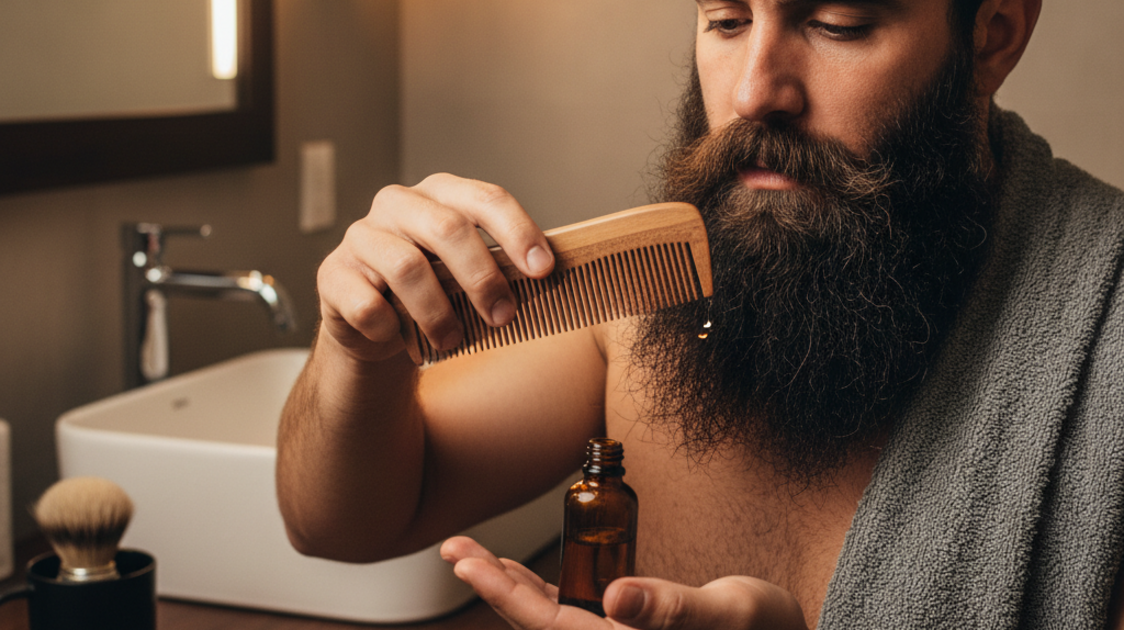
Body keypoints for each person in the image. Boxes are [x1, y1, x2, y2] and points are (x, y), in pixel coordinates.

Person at [277, 0, 1124, 628]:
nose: (754, 91)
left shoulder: (1102, 336)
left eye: (838, 24)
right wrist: (355, 351)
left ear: (993, 33)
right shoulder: (645, 300)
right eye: (726, 20)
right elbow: (337, 521)